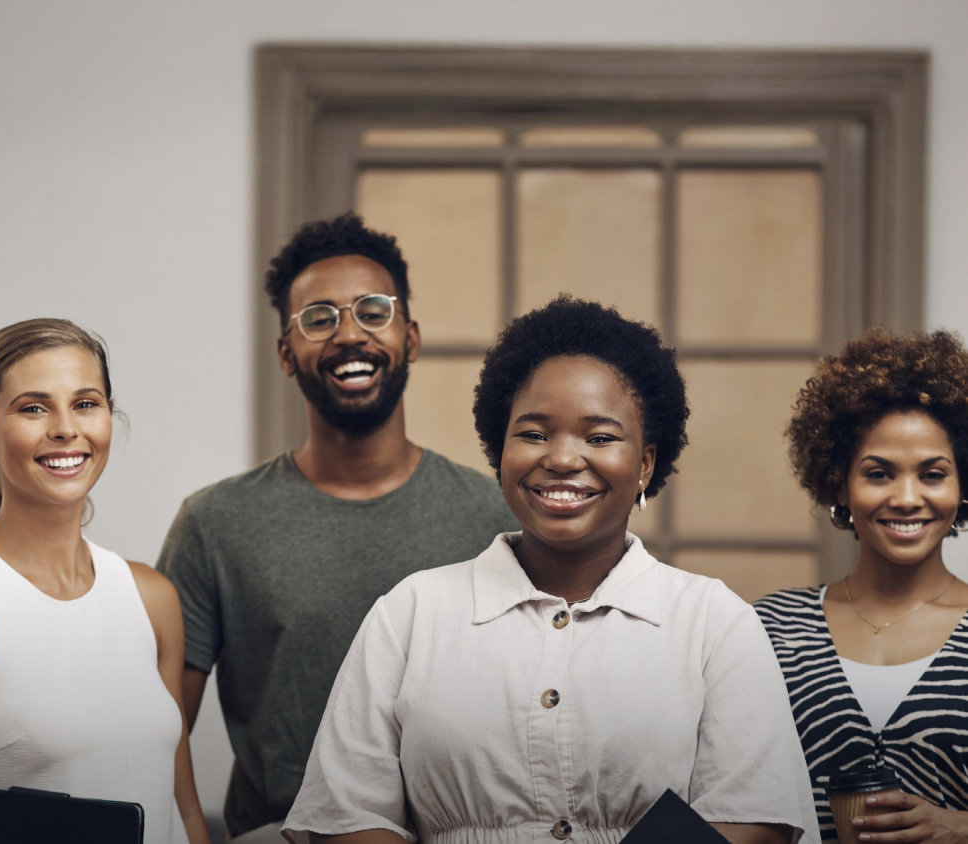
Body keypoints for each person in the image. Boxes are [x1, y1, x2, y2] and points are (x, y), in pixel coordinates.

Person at [283, 296, 820, 844]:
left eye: (600, 437)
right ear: (500, 452)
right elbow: (347, 816)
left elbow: (754, 816)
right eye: (534, 434)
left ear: (645, 464)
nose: (562, 459)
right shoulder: (410, 613)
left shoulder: (715, 621)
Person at [157, 212, 518, 840]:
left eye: (373, 311)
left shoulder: (496, 517)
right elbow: (155, 735)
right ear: (285, 353)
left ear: (410, 337)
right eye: (319, 319)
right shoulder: (215, 523)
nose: (349, 334)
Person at [0, 318, 209, 844]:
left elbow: (185, 809)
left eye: (86, 403)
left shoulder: (151, 597)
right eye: (33, 407)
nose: (66, 428)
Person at [755, 328, 968, 844]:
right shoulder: (771, 629)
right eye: (879, 474)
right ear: (840, 484)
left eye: (933, 474)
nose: (907, 497)